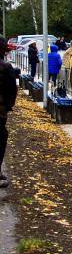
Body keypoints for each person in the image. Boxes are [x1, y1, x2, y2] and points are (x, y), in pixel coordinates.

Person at [0, 37, 18, 188]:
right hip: (0, 111)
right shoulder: (6, 68)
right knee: (1, 136)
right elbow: (12, 90)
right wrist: (7, 106)